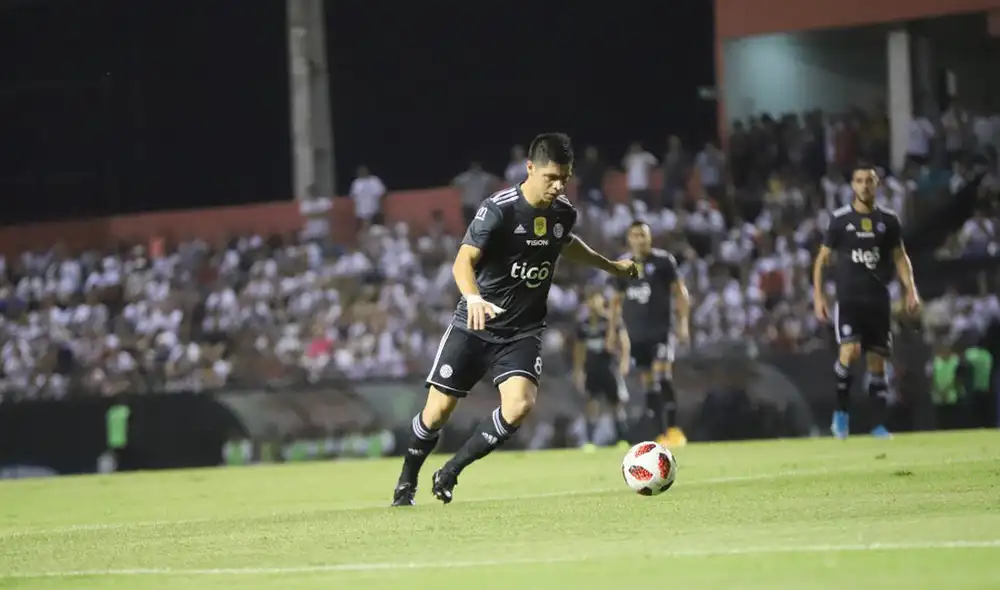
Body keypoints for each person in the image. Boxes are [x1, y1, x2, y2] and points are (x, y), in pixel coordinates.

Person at [391, 133, 639, 506]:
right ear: (529, 169)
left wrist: (610, 266)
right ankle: (406, 480)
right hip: (474, 324)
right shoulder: (499, 209)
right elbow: (463, 261)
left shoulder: (563, 212)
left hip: (521, 331)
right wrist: (473, 297)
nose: (558, 186)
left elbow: (565, 242)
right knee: (437, 411)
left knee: (520, 405)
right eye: (551, 177)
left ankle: (451, 471)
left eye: (564, 178)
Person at [813, 164, 921, 439]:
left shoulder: (888, 220)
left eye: (869, 181)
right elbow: (822, 261)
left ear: (877, 185)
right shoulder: (839, 220)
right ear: (852, 185)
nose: (864, 186)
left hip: (878, 300)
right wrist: (818, 296)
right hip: (849, 299)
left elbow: (900, 257)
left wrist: (911, 289)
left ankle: (878, 425)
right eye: (859, 181)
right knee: (849, 352)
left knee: (877, 364)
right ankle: (841, 415)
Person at [608, 221, 691, 447]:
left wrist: (683, 324)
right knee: (648, 383)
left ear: (650, 238)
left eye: (643, 235)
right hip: (636, 335)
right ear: (629, 239)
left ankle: (674, 430)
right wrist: (612, 333)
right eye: (634, 235)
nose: (639, 240)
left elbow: (680, 293)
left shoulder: (664, 262)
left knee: (662, 374)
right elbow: (615, 303)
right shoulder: (623, 266)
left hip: (660, 331)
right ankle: (660, 433)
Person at [572, 290, 630, 450]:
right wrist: (578, 370)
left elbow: (624, 341)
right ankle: (590, 441)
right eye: (589, 300)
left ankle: (622, 439)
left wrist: (624, 362)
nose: (592, 303)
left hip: (610, 367)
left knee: (616, 404)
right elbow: (579, 349)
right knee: (592, 404)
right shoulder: (583, 324)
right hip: (592, 368)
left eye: (595, 299)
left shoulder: (611, 321)